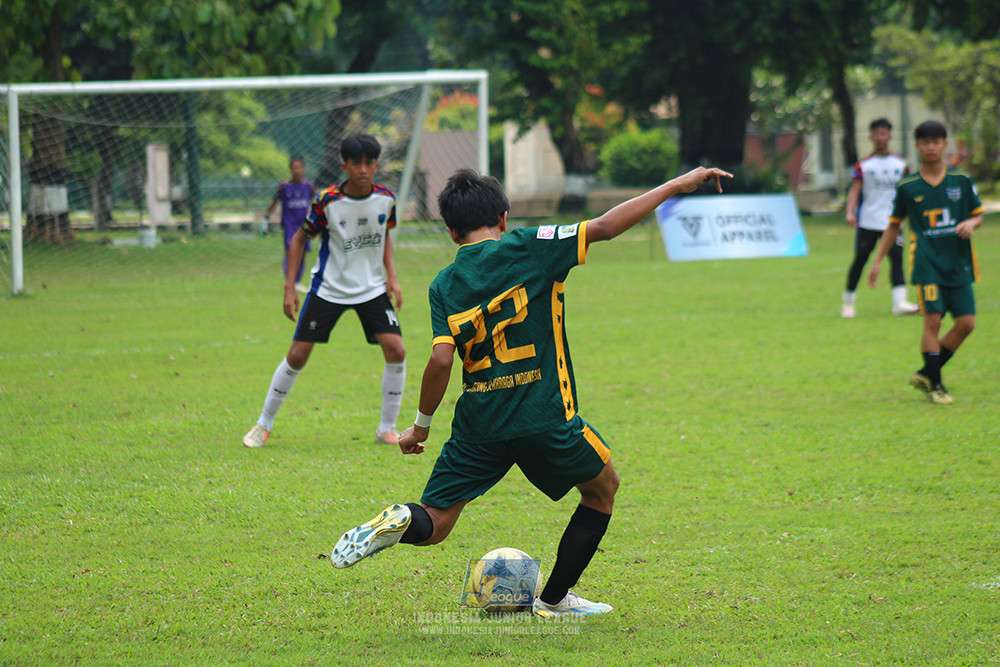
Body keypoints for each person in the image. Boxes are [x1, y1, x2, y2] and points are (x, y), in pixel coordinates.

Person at [326, 165, 733, 618]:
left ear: (450, 230)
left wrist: (419, 429)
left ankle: (401, 519)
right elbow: (605, 226)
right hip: (542, 414)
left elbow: (441, 360)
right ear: (503, 218)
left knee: (437, 522)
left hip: (478, 424)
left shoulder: (443, 284)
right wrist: (677, 184)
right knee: (602, 491)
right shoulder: (530, 245)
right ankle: (554, 601)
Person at [243, 134, 406, 447]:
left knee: (397, 350)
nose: (363, 169)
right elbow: (298, 240)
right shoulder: (327, 201)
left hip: (371, 288)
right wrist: (289, 288)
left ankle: (387, 428)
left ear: (376, 165)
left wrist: (392, 277)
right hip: (329, 289)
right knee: (297, 355)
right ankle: (263, 425)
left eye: (369, 163)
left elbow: (384, 235)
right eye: (356, 163)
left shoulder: (387, 198)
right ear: (344, 165)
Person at [868, 120, 984, 404]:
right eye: (925, 142)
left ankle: (926, 372)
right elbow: (894, 225)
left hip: (959, 264)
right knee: (932, 320)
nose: (931, 147)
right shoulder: (907, 186)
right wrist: (878, 260)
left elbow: (978, 215)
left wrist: (971, 222)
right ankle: (936, 386)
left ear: (944, 145)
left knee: (966, 324)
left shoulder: (961, 181)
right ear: (917, 146)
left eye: (936, 141)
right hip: (926, 263)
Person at [842, 118, 918, 318]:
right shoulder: (864, 164)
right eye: (876, 133)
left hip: (893, 221)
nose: (880, 137)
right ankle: (848, 302)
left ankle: (899, 303)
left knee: (896, 259)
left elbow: (908, 190)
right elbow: (855, 189)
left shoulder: (901, 163)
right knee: (860, 259)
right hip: (868, 221)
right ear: (871, 137)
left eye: (883, 133)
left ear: (890, 136)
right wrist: (850, 212)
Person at [264, 155, 316, 291]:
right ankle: (290, 281)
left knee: (302, 252)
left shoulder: (308, 186)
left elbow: (317, 202)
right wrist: (265, 219)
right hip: (289, 225)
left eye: (299, 167)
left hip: (304, 225)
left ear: (303, 169)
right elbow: (274, 201)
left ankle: (297, 282)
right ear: (290, 169)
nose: (296, 170)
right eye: (294, 168)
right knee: (290, 251)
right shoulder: (284, 186)